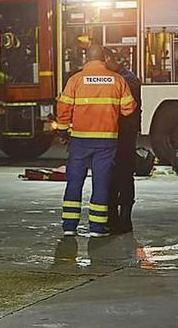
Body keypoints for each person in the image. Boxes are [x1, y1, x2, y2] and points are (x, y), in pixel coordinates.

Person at [55, 44, 136, 237]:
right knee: (101, 183)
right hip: (106, 141)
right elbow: (128, 108)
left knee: (74, 181)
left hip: (80, 140)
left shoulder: (75, 80)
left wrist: (63, 131)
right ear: (104, 59)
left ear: (87, 58)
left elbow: (63, 108)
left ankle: (69, 226)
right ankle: (98, 228)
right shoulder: (117, 80)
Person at [105, 49, 142, 234]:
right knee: (125, 176)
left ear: (108, 59)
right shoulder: (128, 77)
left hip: (119, 135)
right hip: (125, 135)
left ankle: (115, 219)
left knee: (116, 177)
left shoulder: (122, 79)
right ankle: (124, 220)